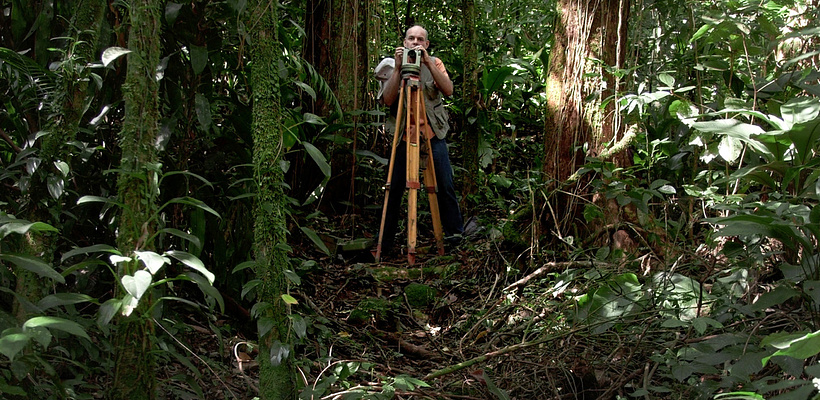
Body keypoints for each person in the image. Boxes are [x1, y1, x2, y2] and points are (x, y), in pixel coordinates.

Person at [375, 25, 464, 255]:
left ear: (426, 44)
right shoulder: (393, 65)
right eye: (411, 39)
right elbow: (387, 99)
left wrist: (427, 64)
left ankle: (455, 236)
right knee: (393, 188)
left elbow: (448, 90)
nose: (415, 43)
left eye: (420, 40)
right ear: (404, 42)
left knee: (445, 184)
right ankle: (385, 245)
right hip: (405, 136)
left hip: (433, 134)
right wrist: (397, 69)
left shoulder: (435, 63)